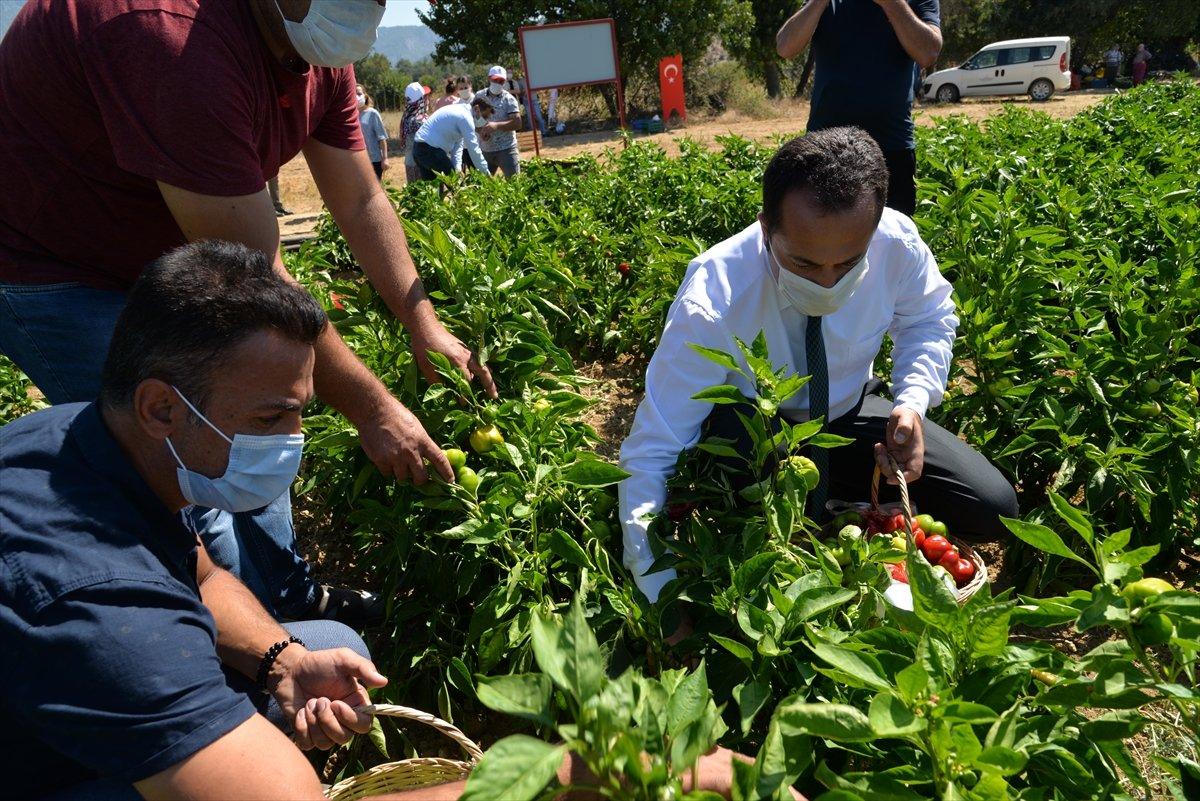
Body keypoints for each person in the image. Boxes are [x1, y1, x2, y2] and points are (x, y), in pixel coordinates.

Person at [0, 0, 497, 628]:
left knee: (264, 421)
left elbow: (360, 194)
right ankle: (236, 661)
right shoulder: (175, 42)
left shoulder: (313, 48)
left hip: (173, 255)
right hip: (57, 268)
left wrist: (421, 320)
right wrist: (374, 410)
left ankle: (286, 597)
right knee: (180, 464)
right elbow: (254, 273)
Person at [0, 241, 391, 800]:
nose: (291, 438)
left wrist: (283, 663)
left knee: (326, 641)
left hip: (51, 710)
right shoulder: (97, 598)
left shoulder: (80, 439)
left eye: (300, 410)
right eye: (270, 415)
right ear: (161, 407)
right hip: (34, 773)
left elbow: (202, 577)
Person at [617, 128, 1017, 602]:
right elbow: (654, 449)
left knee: (993, 508)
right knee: (746, 533)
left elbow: (928, 319)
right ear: (767, 228)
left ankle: (837, 499)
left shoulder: (895, 242)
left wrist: (911, 403)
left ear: (874, 227)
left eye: (848, 263)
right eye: (805, 264)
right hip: (753, 432)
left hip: (847, 411)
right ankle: (804, 505)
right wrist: (656, 587)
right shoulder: (716, 295)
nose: (828, 283)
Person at [776, 0, 942, 217]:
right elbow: (785, 47)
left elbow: (928, 52)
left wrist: (892, 4)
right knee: (825, 239)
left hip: (892, 147)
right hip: (827, 147)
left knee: (892, 241)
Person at [413, 97, 493, 181]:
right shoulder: (466, 118)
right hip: (430, 150)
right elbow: (474, 149)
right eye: (485, 116)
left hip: (419, 148)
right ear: (476, 109)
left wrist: (457, 168)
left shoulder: (460, 111)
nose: (485, 121)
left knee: (431, 188)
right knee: (457, 186)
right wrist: (486, 174)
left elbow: (458, 144)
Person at [475, 65, 524, 177]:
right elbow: (473, 118)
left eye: (501, 81)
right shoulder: (479, 96)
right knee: (483, 187)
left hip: (506, 149)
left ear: (505, 81)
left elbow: (517, 123)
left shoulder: (509, 99)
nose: (497, 83)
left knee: (514, 184)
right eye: (495, 80)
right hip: (485, 149)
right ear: (489, 79)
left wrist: (496, 126)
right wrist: (480, 131)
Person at [399, 81, 432, 183]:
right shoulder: (420, 120)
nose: (428, 100)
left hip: (409, 163)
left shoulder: (406, 117)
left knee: (414, 194)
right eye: (425, 97)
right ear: (420, 100)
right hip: (422, 165)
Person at [357, 83, 390, 180]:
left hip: (374, 160)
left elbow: (382, 138)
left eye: (359, 94)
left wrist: (385, 159)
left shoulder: (372, 113)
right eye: (353, 94)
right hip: (358, 161)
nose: (356, 97)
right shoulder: (351, 115)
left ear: (365, 96)